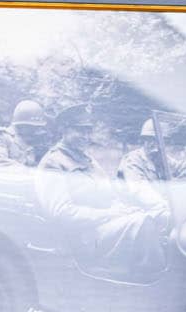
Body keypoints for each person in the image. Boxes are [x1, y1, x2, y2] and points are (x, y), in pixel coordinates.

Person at [36, 104, 169, 277]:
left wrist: (124, 209)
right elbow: (62, 213)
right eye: (80, 131)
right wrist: (111, 213)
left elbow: (110, 194)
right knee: (144, 222)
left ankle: (151, 271)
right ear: (64, 130)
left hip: (105, 227)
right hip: (84, 237)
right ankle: (156, 277)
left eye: (88, 131)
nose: (86, 136)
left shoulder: (87, 159)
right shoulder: (53, 163)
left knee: (162, 216)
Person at [116, 118, 169, 214]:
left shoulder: (160, 158)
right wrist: (167, 205)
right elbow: (140, 190)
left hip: (158, 208)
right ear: (143, 140)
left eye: (157, 140)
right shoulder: (132, 160)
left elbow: (182, 168)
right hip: (136, 211)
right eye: (149, 139)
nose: (154, 144)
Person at [0, 99, 50, 168]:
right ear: (20, 124)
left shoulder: (33, 142)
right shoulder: (1, 137)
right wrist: (25, 170)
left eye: (36, 127)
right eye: (30, 126)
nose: (35, 130)